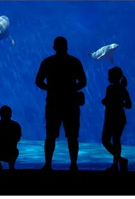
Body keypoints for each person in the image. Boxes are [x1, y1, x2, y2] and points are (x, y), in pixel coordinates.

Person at [35, 36, 87, 171]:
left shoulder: (48, 62)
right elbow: (83, 82)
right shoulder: (74, 62)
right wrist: (71, 89)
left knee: (50, 135)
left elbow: (38, 81)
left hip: (53, 102)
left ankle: (48, 164)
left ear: (54, 47)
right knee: (72, 137)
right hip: (71, 103)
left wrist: (51, 89)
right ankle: (74, 165)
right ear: (67, 47)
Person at [101, 66, 132, 172]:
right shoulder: (123, 90)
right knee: (116, 141)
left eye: (109, 76)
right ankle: (117, 163)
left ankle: (118, 162)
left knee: (106, 141)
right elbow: (128, 105)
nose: (108, 78)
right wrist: (118, 103)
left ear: (113, 77)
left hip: (111, 117)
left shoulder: (110, 88)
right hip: (119, 117)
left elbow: (108, 100)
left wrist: (110, 102)